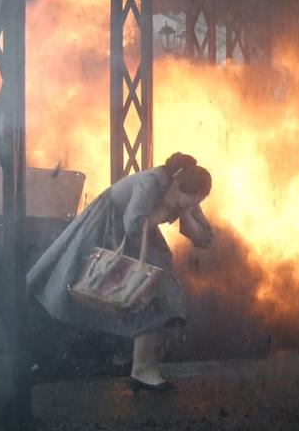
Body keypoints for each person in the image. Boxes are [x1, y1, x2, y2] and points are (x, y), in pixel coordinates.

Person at [27, 152, 213, 391]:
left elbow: (197, 234)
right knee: (83, 288)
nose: (193, 204)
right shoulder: (151, 184)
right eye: (191, 199)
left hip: (139, 234)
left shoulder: (183, 193)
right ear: (179, 185)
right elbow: (133, 225)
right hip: (109, 231)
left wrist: (196, 222)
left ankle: (143, 367)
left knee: (159, 292)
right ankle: (55, 357)